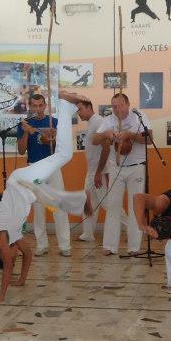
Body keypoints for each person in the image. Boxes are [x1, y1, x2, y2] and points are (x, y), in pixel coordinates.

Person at [0, 91, 93, 303]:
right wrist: (21, 279)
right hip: (28, 189)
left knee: (63, 156)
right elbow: (28, 255)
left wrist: (0, 295)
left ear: (1, 253)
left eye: (10, 258)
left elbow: (7, 265)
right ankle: (79, 201)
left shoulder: (0, 236)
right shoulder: (15, 237)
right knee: (54, 195)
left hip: (21, 183)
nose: (13, 257)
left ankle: (64, 104)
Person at [94, 92, 151, 257]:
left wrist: (130, 135)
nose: (117, 109)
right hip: (116, 168)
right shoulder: (109, 120)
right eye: (114, 106)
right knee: (113, 206)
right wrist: (105, 134)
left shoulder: (138, 117)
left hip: (136, 167)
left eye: (120, 105)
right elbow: (94, 140)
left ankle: (134, 247)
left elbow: (149, 138)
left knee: (135, 207)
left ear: (127, 104)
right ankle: (110, 246)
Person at [18, 93, 71, 256]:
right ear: (30, 107)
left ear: (45, 106)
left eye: (41, 105)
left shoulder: (54, 122)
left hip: (52, 166)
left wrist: (53, 137)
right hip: (34, 167)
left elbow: (61, 147)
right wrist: (26, 132)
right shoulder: (25, 123)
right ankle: (42, 245)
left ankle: (65, 246)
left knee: (59, 207)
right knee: (38, 209)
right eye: (34, 106)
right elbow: (21, 150)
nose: (38, 108)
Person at [77, 98, 106, 242]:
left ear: (89, 107)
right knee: (88, 203)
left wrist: (100, 172)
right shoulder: (91, 123)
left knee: (108, 203)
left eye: (80, 109)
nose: (78, 113)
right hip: (92, 170)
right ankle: (88, 233)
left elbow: (106, 148)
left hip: (100, 171)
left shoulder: (99, 121)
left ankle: (134, 228)